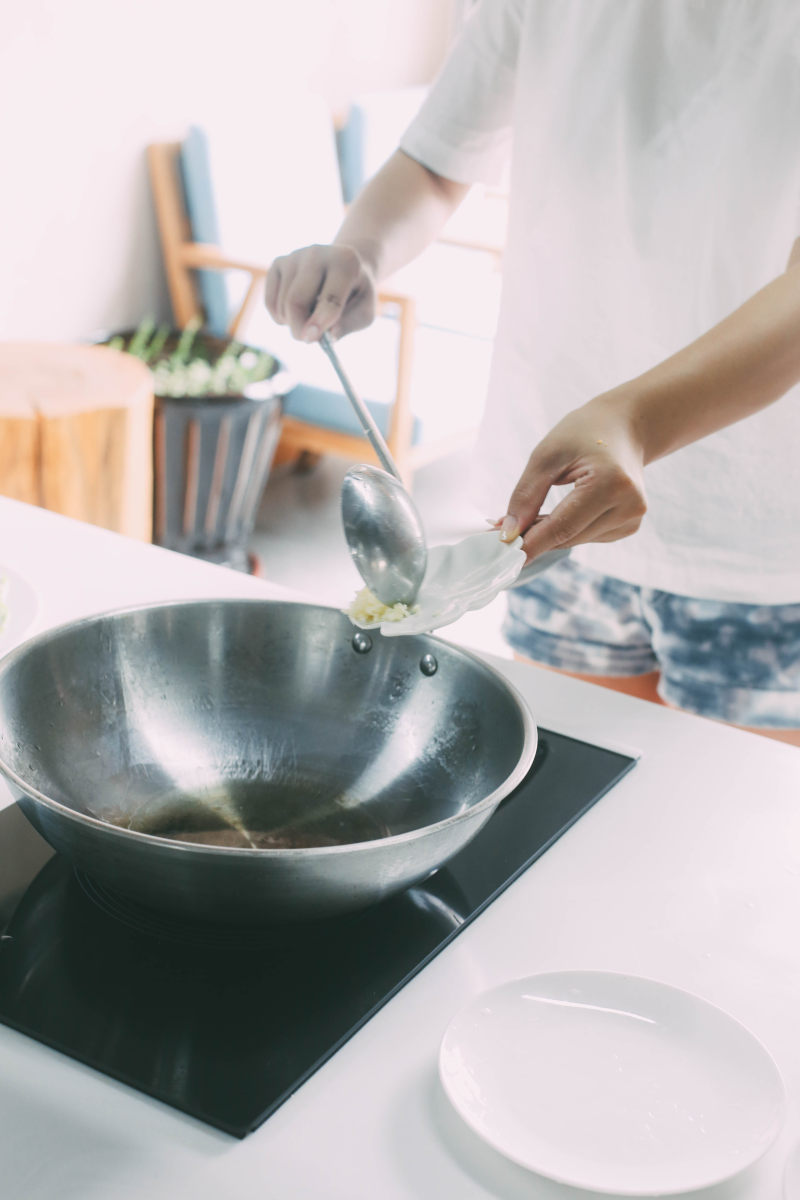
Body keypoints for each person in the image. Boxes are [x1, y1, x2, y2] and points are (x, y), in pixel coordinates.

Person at [265, 0, 800, 745]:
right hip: (546, 519)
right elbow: (438, 157)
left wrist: (634, 423)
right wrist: (362, 249)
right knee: (584, 808)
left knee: (734, 840)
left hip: (759, 537)